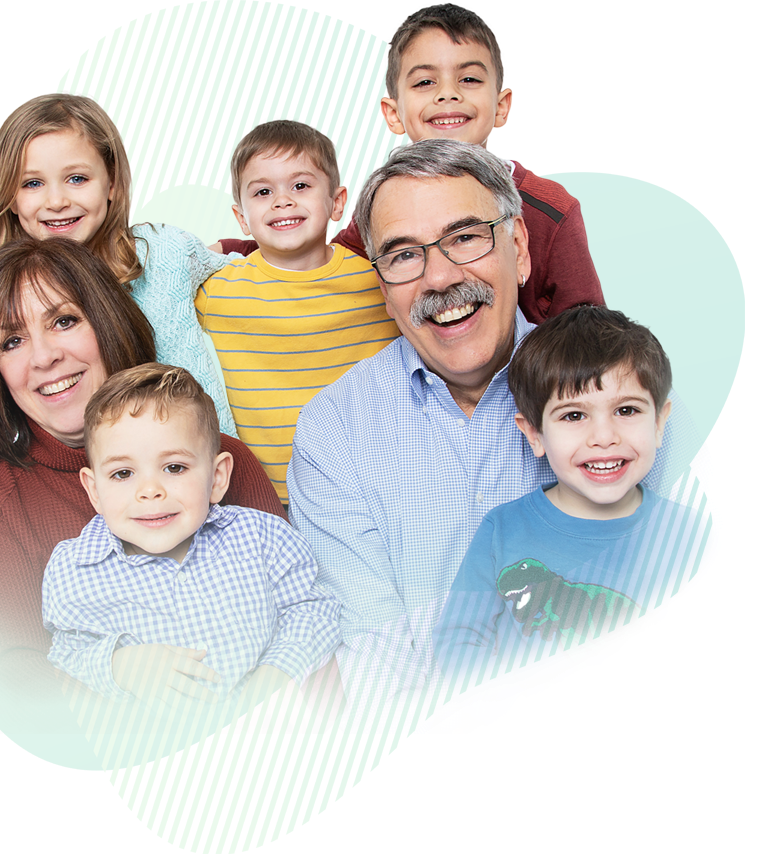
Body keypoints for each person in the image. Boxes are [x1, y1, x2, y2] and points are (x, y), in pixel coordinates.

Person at [286, 138, 722, 734]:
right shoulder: (332, 433)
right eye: (403, 255)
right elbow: (377, 665)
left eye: (465, 237)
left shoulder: (634, 404)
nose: (439, 276)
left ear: (519, 249)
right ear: (382, 284)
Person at [0, 237, 287, 765]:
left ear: (105, 322)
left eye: (63, 321)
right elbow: (8, 679)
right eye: (11, 342)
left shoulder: (220, 461)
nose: (43, 356)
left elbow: (304, 609)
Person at [0, 92, 241, 585]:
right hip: (112, 499)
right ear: (8, 197)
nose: (57, 200)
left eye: (77, 178)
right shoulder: (6, 295)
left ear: (112, 182)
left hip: (210, 479)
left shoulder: (163, 253)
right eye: (33, 183)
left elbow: (247, 271)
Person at [217, 5, 604, 327]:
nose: (447, 94)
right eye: (424, 83)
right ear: (393, 114)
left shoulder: (550, 209)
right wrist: (232, 248)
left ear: (501, 106)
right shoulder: (383, 204)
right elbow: (324, 258)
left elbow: (587, 328)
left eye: (468, 78)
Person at [432, 306, 720, 721]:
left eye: (627, 411)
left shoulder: (689, 534)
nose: (603, 437)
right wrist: (500, 701)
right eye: (573, 415)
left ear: (660, 423)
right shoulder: (504, 529)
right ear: (534, 434)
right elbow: (460, 635)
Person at [42, 363, 340, 734]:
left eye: (174, 468)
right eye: (123, 473)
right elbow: (66, 652)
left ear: (217, 478)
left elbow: (315, 608)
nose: (150, 491)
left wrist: (279, 669)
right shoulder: (75, 569)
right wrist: (119, 664)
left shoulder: (261, 538)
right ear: (94, 490)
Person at [194, 119, 400, 503]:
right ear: (242, 218)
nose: (282, 201)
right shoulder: (220, 289)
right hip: (267, 495)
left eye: (300, 186)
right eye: (262, 192)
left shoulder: (378, 281)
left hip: (369, 486)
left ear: (337, 203)